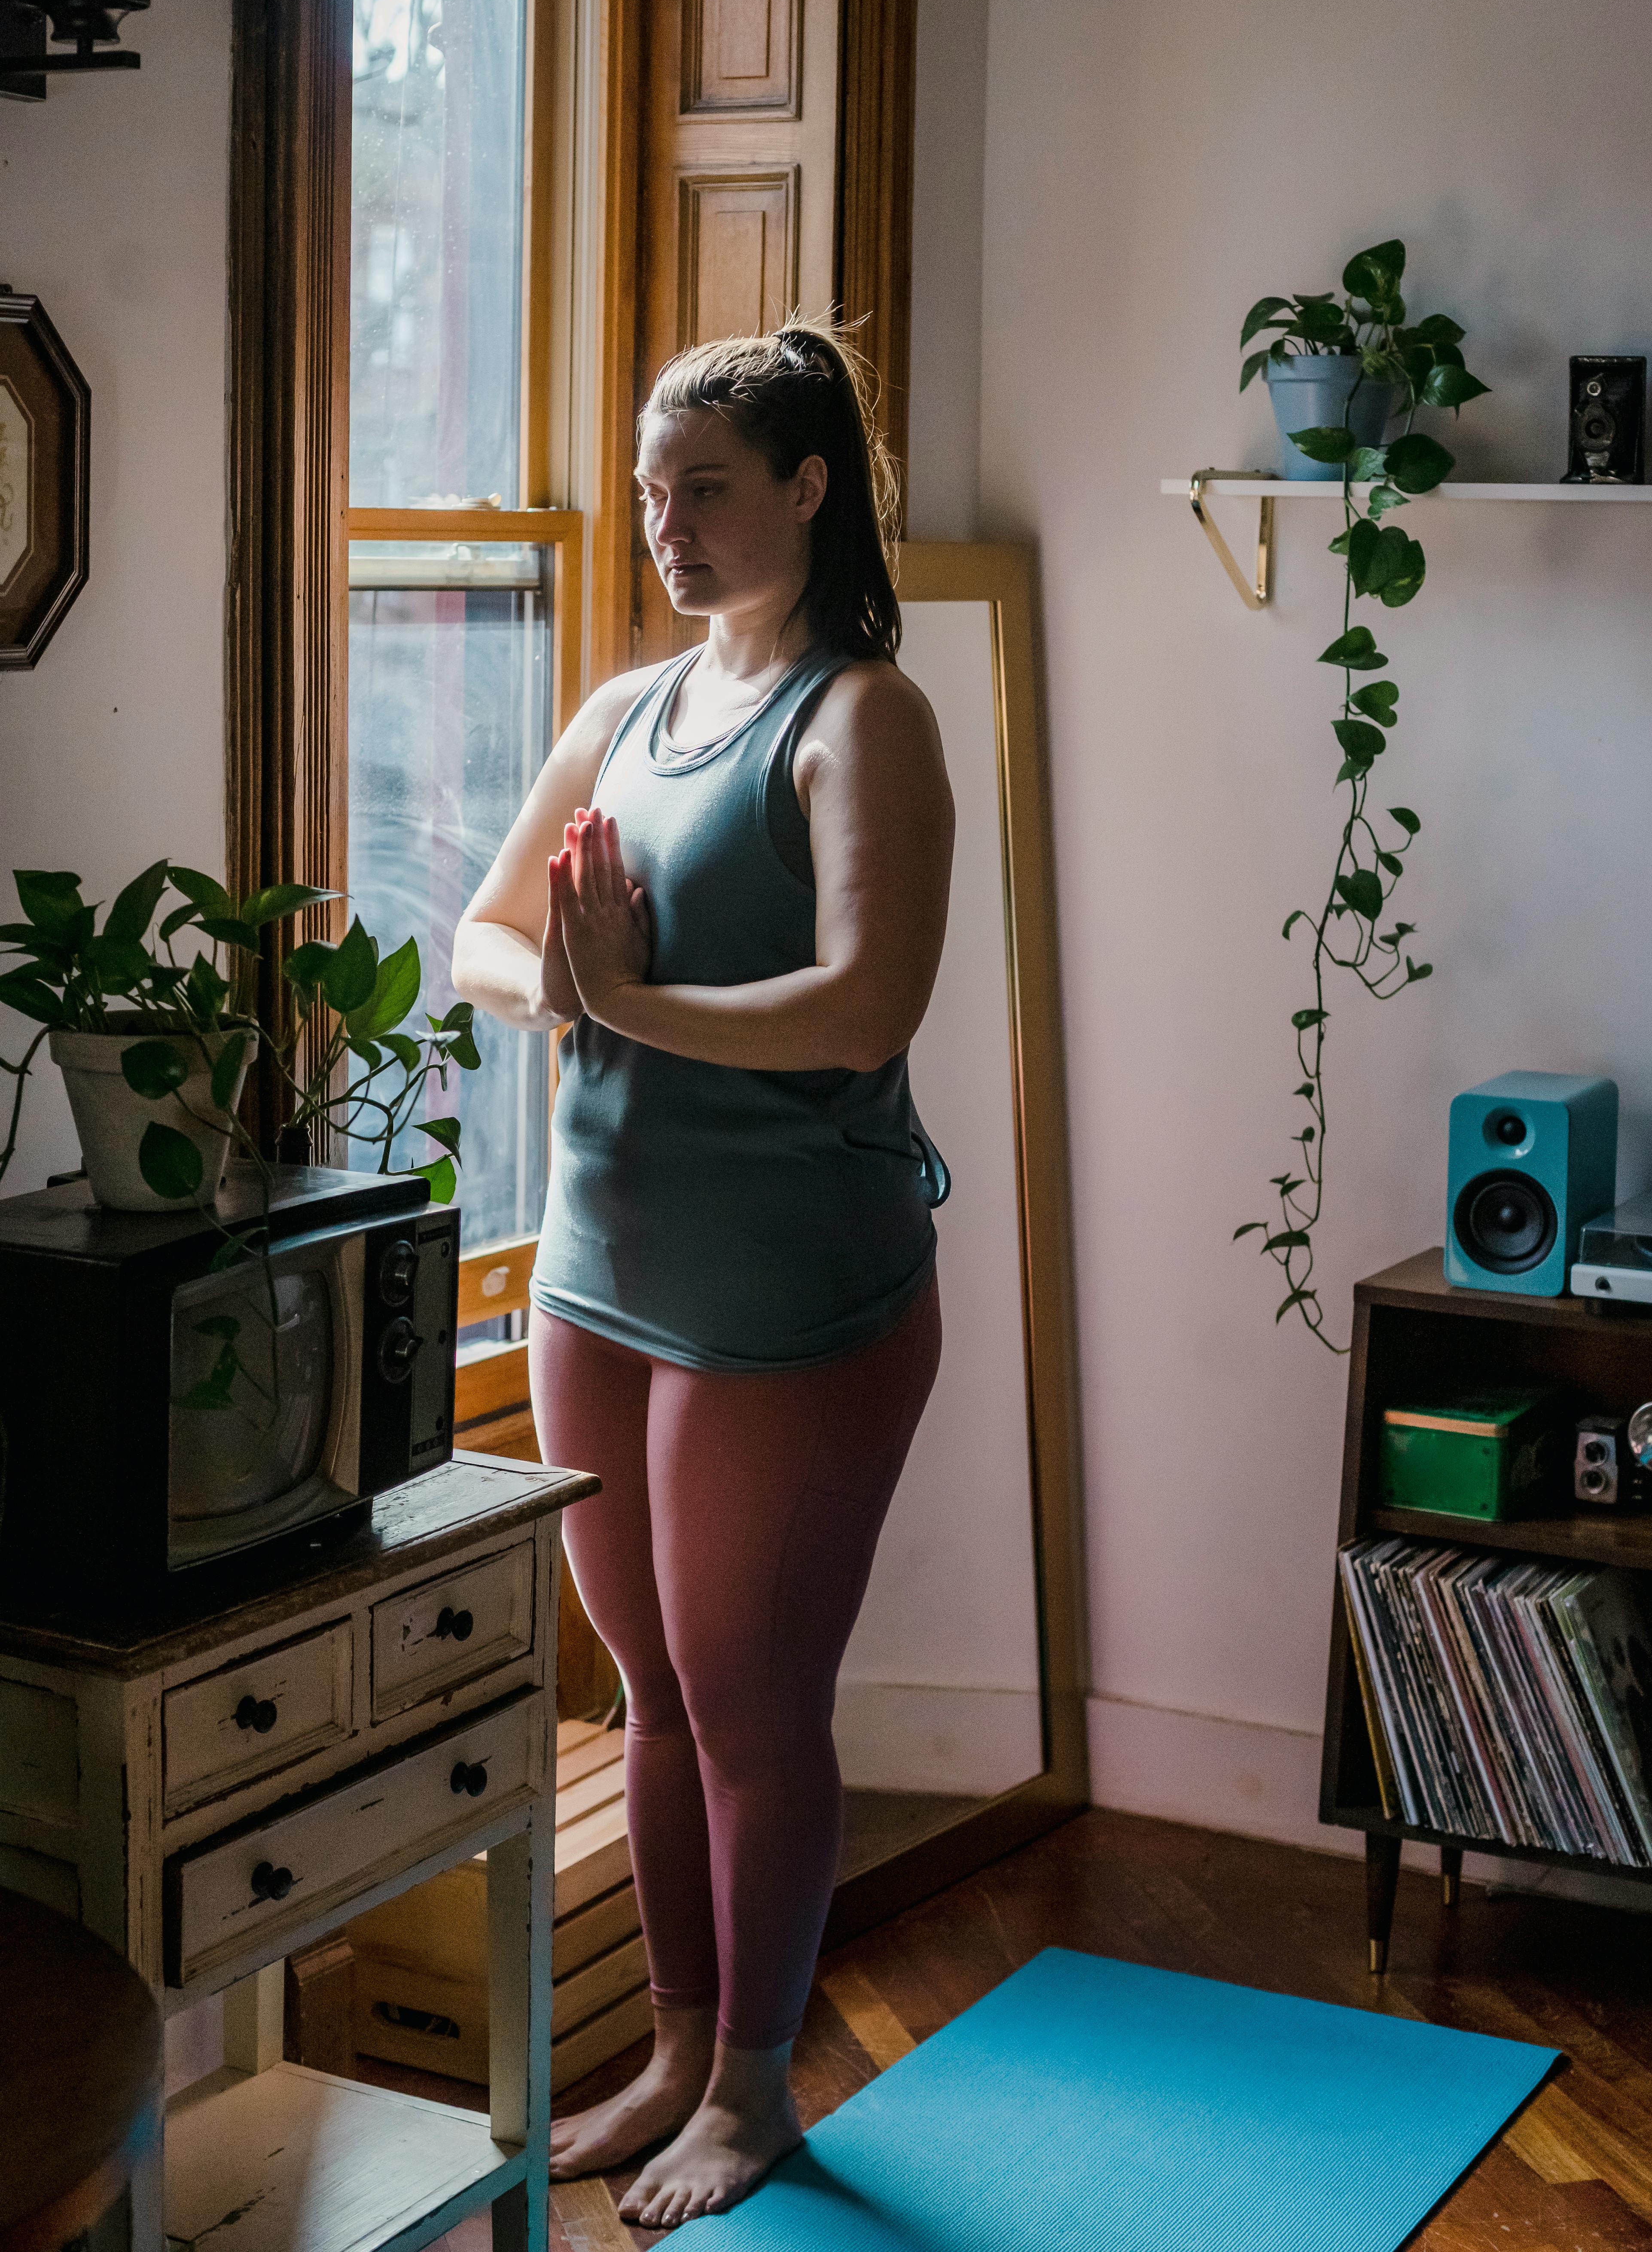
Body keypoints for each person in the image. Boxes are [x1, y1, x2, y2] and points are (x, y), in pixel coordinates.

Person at [451, 321, 955, 2230]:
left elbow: (860, 1007)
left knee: (753, 1707)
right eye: (652, 488)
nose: (662, 521)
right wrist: (566, 986)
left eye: (705, 488)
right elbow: (487, 945)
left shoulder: (856, 718)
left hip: (793, 1300)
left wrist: (625, 997)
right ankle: (675, 2047)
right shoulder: (622, 706)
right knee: (651, 1702)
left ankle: (755, 2088)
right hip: (595, 1272)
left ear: (808, 489)